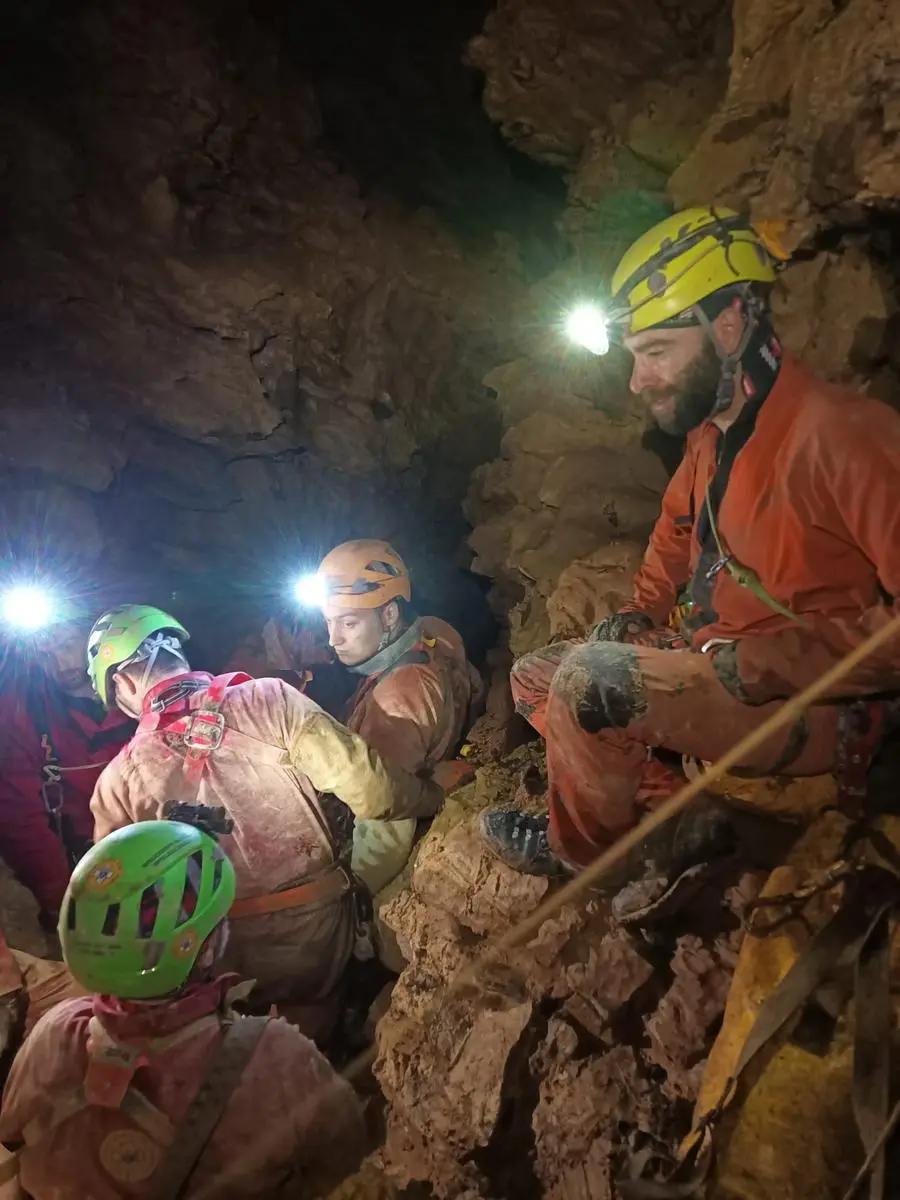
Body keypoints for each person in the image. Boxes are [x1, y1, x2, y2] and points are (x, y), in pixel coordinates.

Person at [479, 205, 900, 894]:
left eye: (656, 353)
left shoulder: (841, 436)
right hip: (719, 661)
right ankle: (675, 819)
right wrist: (643, 609)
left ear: (728, 327)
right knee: (535, 676)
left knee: (590, 684)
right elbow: (675, 534)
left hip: (809, 705)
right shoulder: (711, 439)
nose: (637, 382)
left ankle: (595, 858)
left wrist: (766, 664)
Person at [85, 604, 443, 1031]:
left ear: (121, 682)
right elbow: (375, 792)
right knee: (319, 1023)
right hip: (318, 933)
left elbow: (123, 915)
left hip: (222, 961)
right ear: (177, 648)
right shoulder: (266, 698)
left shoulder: (117, 783)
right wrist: (432, 796)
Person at [0, 820, 365, 1198]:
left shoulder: (56, 1030)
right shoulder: (273, 1056)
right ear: (205, 949)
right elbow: (348, 1163)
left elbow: (12, 1135)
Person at [313, 540, 483, 894]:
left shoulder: (396, 697)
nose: (333, 640)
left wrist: (356, 895)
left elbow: (386, 824)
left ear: (389, 615)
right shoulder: (434, 632)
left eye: (348, 623)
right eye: (328, 623)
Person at [0, 619, 134, 927]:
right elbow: (20, 818)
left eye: (65, 645)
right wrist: (63, 900)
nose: (60, 664)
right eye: (45, 655)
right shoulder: (23, 711)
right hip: (82, 859)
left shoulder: (136, 689)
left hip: (156, 844)